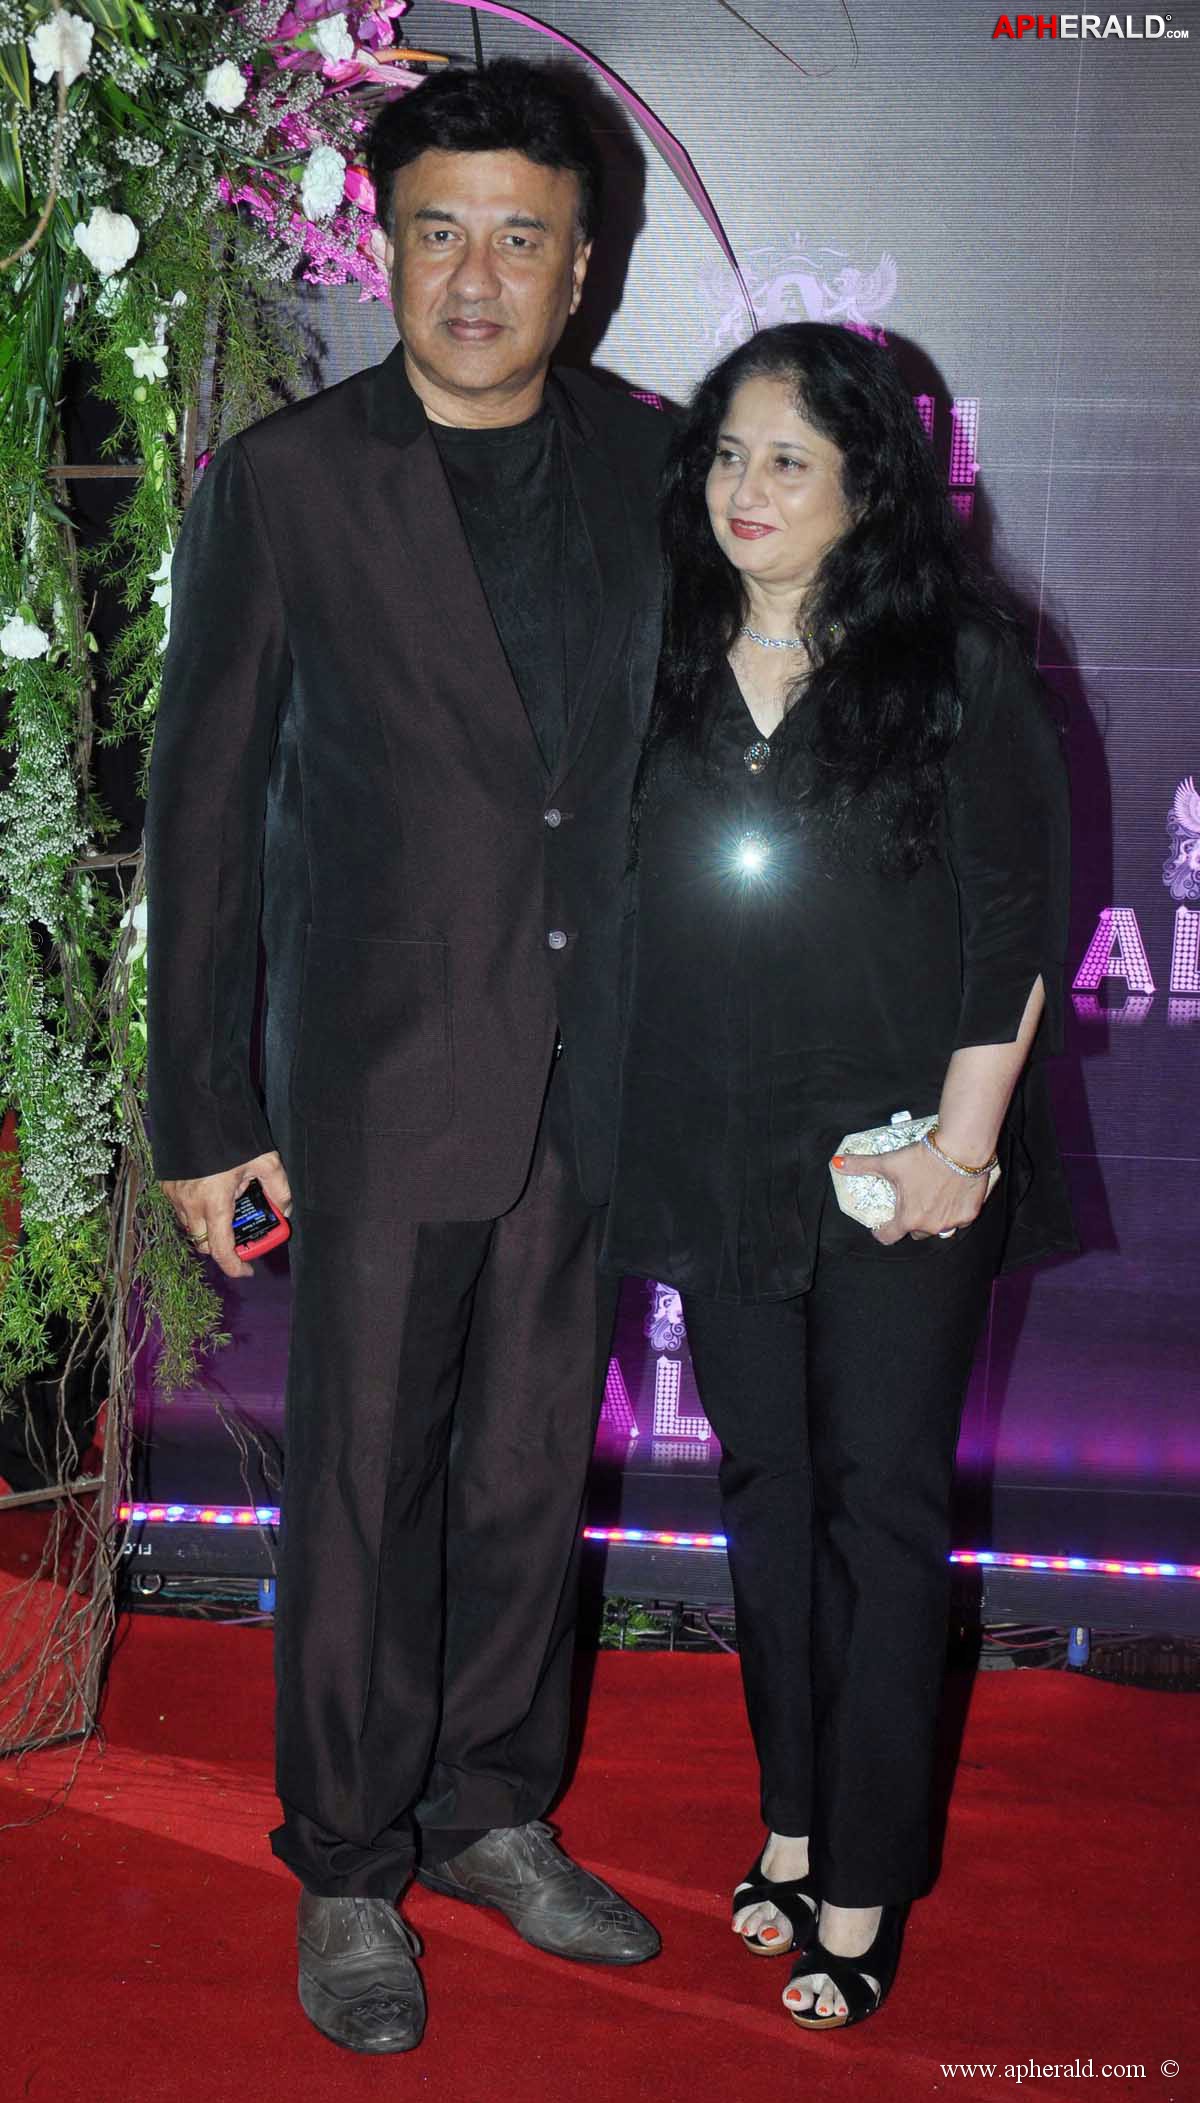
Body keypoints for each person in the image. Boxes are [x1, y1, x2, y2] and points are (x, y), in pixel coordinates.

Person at [146, 59, 668, 2057]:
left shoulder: (655, 465)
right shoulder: (288, 483)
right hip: (373, 1075)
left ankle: (490, 1806)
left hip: (593, 1066)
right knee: (365, 1482)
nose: (475, 277)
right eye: (438, 231)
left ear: (581, 266)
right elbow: (204, 816)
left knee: (533, 1465)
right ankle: (352, 1859)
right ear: (382, 248)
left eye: (520, 239)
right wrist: (208, 1112)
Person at [602, 322, 1074, 2030]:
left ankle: (865, 1878)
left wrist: (963, 1149)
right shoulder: (655, 654)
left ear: (871, 486)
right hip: (713, 1148)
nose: (748, 488)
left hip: (900, 1164)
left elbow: (1017, 922)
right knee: (768, 1491)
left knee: (881, 1506)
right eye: (729, 454)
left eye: (789, 459)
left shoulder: (956, 663)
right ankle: (793, 1821)